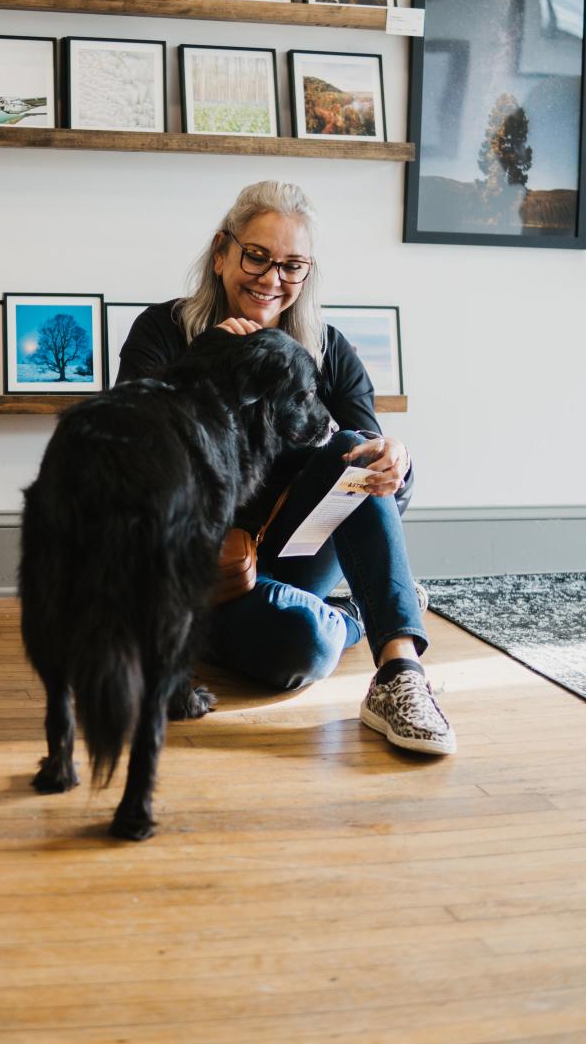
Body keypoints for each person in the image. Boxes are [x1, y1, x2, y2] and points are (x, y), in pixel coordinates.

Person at [117, 180, 455, 756]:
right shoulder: (164, 331)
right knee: (300, 650)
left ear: (307, 273)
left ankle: (400, 673)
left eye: (292, 265)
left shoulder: (327, 348)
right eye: (257, 256)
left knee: (364, 457)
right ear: (222, 252)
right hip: (200, 567)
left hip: (294, 552)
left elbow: (362, 439)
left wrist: (391, 453)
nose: (272, 279)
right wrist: (210, 369)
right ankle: (352, 614)